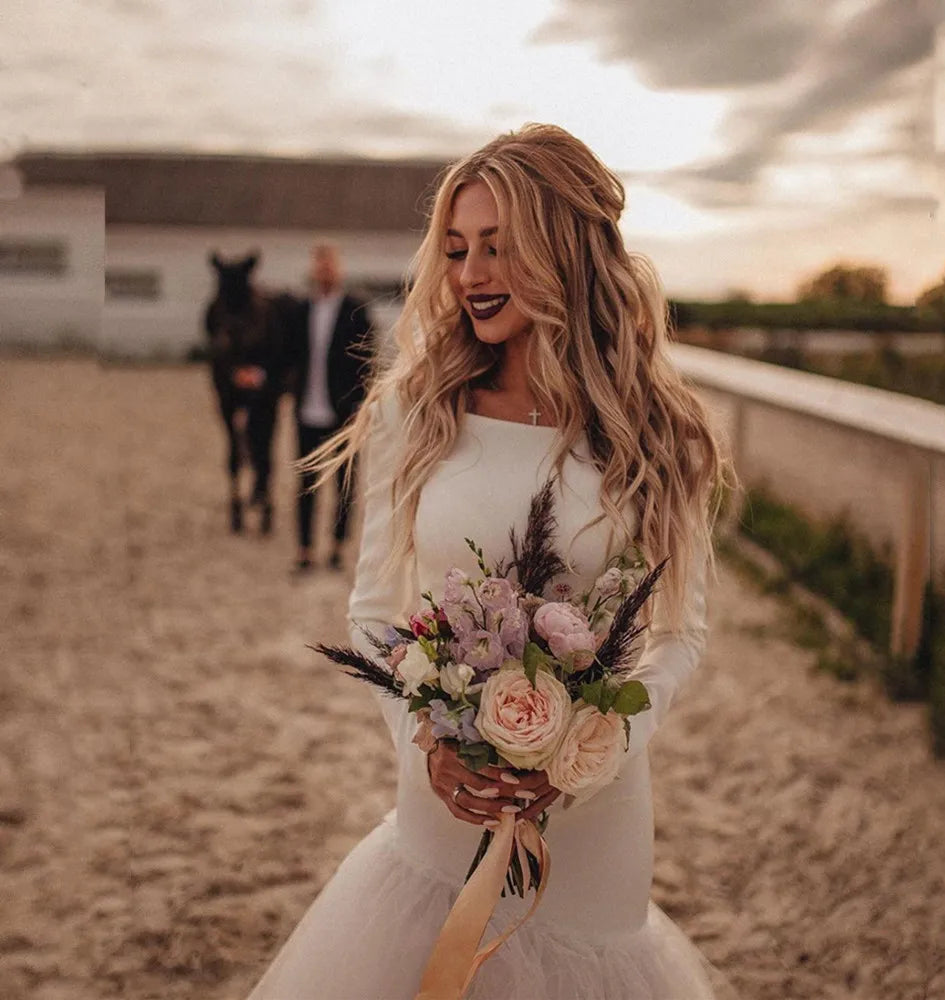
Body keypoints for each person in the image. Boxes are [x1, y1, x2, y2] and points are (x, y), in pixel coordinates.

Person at [247, 124, 728, 999]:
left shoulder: (661, 434)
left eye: (498, 247)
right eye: (459, 248)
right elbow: (372, 613)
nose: (470, 274)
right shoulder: (415, 412)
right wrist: (426, 742)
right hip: (442, 804)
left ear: (567, 248)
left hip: (597, 817)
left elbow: (680, 636)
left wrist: (595, 746)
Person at [287, 243, 375, 572]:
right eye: (319, 266)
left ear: (338, 270)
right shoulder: (302, 310)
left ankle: (338, 546)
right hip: (307, 410)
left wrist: (360, 404)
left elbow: (367, 358)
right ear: (313, 270)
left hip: (344, 413)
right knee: (306, 483)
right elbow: (289, 354)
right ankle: (305, 548)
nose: (324, 272)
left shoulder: (355, 309)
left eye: (329, 266)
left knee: (345, 484)